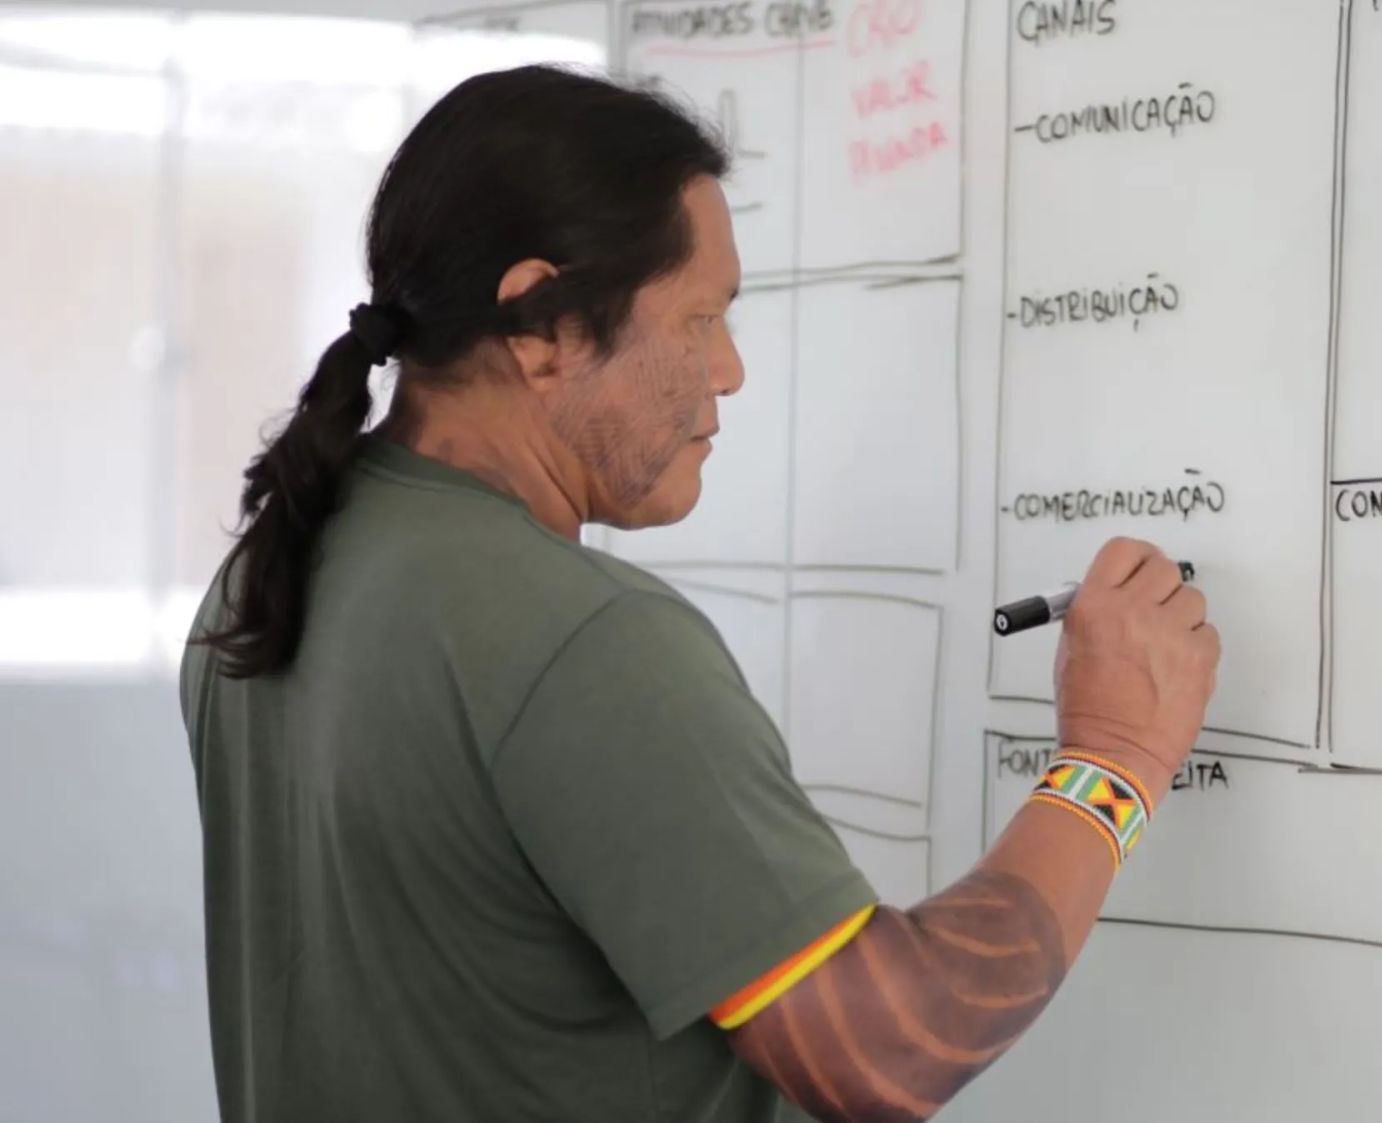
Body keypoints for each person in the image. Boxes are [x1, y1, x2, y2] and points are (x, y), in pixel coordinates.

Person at [180, 65, 1219, 1123]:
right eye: (699, 320)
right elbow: (892, 1046)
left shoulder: (272, 568)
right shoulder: (578, 641)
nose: (728, 372)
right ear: (541, 323)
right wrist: (1112, 760)